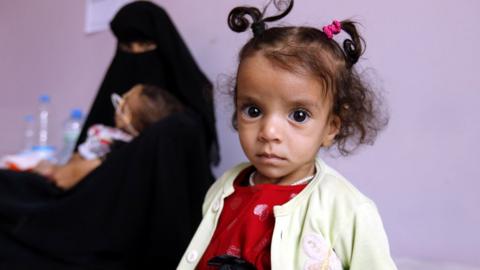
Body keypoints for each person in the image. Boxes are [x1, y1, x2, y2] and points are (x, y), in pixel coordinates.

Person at [177, 1, 397, 269]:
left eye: (299, 115)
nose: (269, 132)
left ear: (331, 127)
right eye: (254, 110)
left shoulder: (347, 209)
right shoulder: (225, 187)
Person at [0, 2, 218, 269]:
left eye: (145, 45)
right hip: (80, 197)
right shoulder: (120, 89)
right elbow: (74, 168)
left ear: (162, 44)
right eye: (127, 47)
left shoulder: (184, 119)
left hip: (118, 221)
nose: (135, 55)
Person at [33, 83, 183, 190]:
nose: (118, 105)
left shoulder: (115, 148)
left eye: (124, 105)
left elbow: (64, 177)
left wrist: (51, 170)